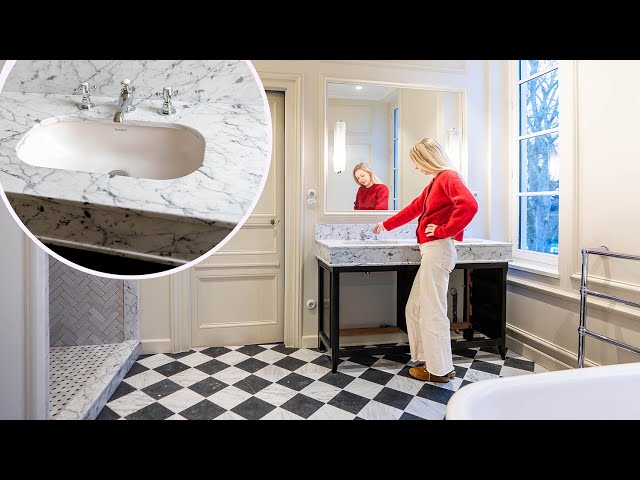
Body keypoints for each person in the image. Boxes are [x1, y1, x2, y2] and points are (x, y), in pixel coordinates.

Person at [373, 138, 478, 383]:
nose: (417, 169)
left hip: (438, 249)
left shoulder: (448, 177)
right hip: (431, 251)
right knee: (417, 306)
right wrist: (385, 225)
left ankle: (439, 370)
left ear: (427, 159)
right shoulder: (435, 183)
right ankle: (430, 361)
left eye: (417, 163)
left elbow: (470, 205)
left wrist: (443, 230)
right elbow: (414, 208)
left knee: (432, 310)